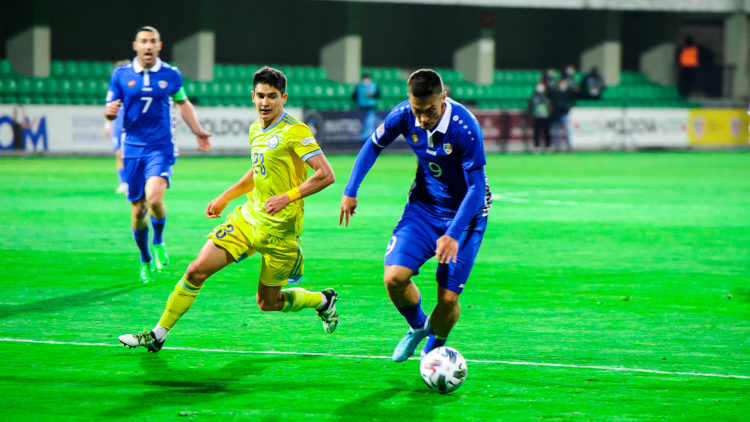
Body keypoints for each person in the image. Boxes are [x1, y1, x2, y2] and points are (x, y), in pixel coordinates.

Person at [119, 66, 339, 352]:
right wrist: (226, 197)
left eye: (272, 97)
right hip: (248, 219)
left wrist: (288, 196)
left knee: (268, 304)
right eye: (260, 96)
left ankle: (322, 300)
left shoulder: (295, 131)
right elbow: (258, 171)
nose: (265, 102)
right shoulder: (255, 130)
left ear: (283, 98)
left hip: (281, 233)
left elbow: (325, 174)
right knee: (196, 271)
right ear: (252, 96)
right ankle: (157, 334)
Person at [340, 69, 491, 362]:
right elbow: (374, 145)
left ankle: (431, 354)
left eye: (430, 111)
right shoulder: (403, 115)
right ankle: (418, 325)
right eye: (416, 110)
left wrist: (453, 234)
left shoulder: (465, 127)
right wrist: (351, 189)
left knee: (447, 299)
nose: (422, 119)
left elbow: (476, 188)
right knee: (394, 278)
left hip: (467, 216)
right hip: (424, 208)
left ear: (443, 98)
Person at [105, 26, 212, 283]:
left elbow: (183, 102)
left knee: (154, 199)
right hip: (132, 148)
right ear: (136, 46)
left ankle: (159, 241)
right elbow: (111, 108)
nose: (148, 45)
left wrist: (198, 131)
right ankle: (144, 259)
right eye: (144, 41)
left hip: (160, 147)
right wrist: (109, 112)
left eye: (152, 41)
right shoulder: (121, 75)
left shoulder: (171, 75)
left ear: (159, 46)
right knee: (138, 209)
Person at [103, 59, 131, 194]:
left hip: (131, 125)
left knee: (130, 156)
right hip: (118, 125)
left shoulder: (134, 86)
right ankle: (123, 183)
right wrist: (107, 124)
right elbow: (110, 108)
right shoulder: (115, 88)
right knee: (119, 154)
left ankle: (132, 183)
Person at [549, 78, 576, 152]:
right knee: (556, 131)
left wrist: (566, 109)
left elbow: (570, 103)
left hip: (564, 114)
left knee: (567, 130)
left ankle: (569, 146)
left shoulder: (568, 93)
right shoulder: (556, 93)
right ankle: (558, 147)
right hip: (556, 114)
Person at [355, 72, 379, 141]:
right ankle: (370, 138)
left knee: (364, 123)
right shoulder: (373, 84)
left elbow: (354, 96)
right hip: (370, 107)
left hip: (361, 107)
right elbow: (377, 94)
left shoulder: (358, 85)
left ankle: (363, 137)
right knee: (370, 123)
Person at [528, 82, 552, 152]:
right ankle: (537, 146)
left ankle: (548, 145)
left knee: (546, 132)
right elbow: (530, 106)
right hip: (537, 117)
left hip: (545, 117)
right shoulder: (534, 97)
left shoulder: (547, 96)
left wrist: (549, 112)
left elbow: (550, 106)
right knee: (537, 132)